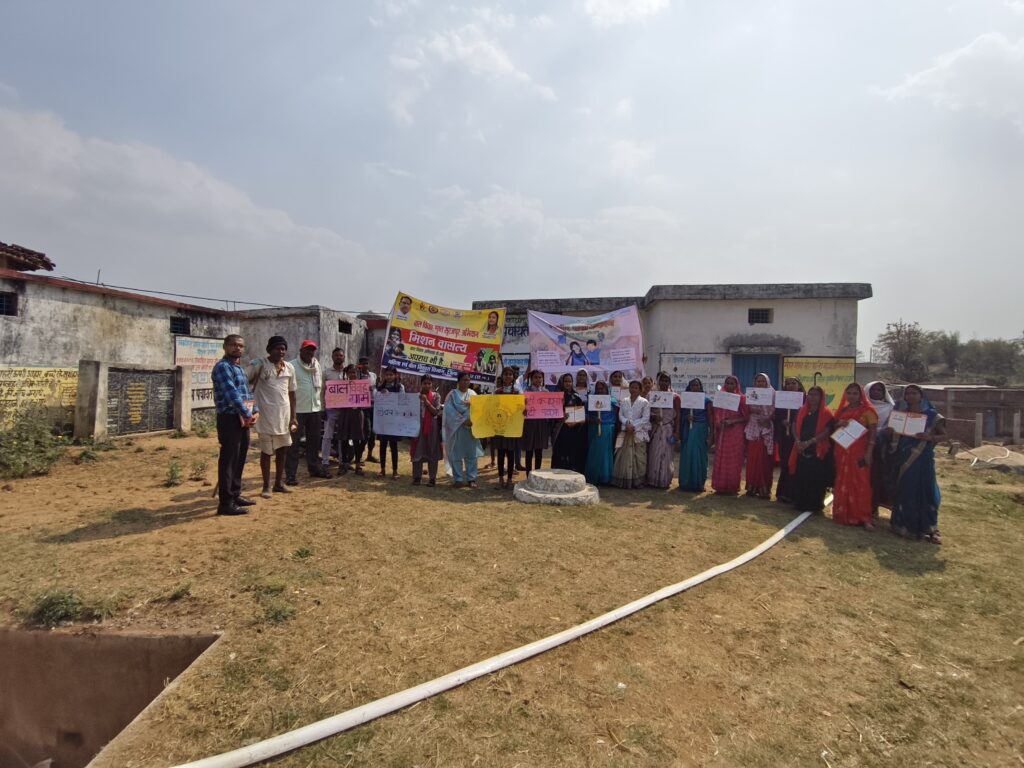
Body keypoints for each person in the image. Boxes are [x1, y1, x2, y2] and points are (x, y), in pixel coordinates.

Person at [890, 384, 945, 543]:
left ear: (921, 396)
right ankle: (903, 525)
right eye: (908, 393)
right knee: (906, 490)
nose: (911, 396)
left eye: (914, 393)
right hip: (904, 456)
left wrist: (930, 438)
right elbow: (894, 435)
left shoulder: (933, 416)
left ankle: (929, 527)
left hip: (923, 457)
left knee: (925, 489)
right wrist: (891, 432)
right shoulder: (901, 414)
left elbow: (945, 436)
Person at [212, 334, 259, 515]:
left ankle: (235, 494)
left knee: (240, 457)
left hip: (243, 418)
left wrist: (255, 410)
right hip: (229, 418)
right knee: (229, 460)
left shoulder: (239, 368)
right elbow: (232, 394)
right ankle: (225, 503)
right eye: (233, 345)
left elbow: (247, 392)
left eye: (240, 345)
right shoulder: (222, 367)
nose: (237, 348)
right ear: (225, 347)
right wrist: (248, 413)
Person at [248, 336, 298, 499]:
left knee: (283, 450)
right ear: (269, 350)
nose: (281, 352)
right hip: (265, 416)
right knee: (266, 452)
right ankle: (266, 486)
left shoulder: (289, 367)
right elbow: (246, 383)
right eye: (277, 348)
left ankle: (278, 484)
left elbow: (292, 393)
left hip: (283, 416)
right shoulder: (259, 364)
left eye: (283, 349)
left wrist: (293, 417)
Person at [831, 382, 878, 529]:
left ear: (861, 395)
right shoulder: (843, 410)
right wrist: (839, 424)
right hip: (842, 451)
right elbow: (834, 428)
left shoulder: (868, 411)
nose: (851, 396)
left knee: (861, 482)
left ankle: (864, 517)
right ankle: (842, 513)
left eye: (855, 393)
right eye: (849, 393)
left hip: (860, 452)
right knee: (842, 480)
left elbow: (873, 433)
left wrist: (869, 452)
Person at [286, 340, 329, 484]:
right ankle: (290, 475)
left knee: (314, 442)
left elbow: (320, 389)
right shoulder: (291, 366)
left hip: (315, 410)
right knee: (293, 444)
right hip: (297, 411)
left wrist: (322, 407)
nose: (310, 353)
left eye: (312, 350)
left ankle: (314, 469)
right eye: (307, 350)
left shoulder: (317, 365)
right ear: (301, 351)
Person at [788, 385, 834, 514]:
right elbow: (794, 425)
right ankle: (800, 502)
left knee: (815, 478)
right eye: (810, 394)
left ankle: (815, 504)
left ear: (821, 397)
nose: (812, 397)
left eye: (816, 395)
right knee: (801, 475)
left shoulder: (826, 413)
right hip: (800, 447)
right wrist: (797, 441)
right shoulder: (801, 410)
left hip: (817, 449)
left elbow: (827, 431)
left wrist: (810, 442)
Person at [444, 371, 483, 487]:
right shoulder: (452, 395)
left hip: (470, 430)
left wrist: (473, 406)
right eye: (464, 380)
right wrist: (462, 420)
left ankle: (472, 479)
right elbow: (449, 411)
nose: (466, 382)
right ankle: (458, 479)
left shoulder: (473, 394)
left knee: (471, 455)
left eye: (468, 380)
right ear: (458, 381)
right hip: (456, 430)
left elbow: (479, 409)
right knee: (456, 455)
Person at [711, 375, 748, 494]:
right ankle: (720, 486)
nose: (730, 386)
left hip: (736, 432)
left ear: (736, 385)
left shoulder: (742, 399)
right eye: (728, 383)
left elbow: (746, 417)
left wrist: (733, 421)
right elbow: (716, 413)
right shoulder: (720, 397)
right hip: (723, 432)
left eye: (732, 384)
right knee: (722, 458)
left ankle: (732, 486)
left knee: (734, 459)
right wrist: (719, 422)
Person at [867, 380, 897, 518]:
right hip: (863, 443)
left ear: (884, 392)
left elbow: (894, 426)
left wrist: (883, 433)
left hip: (883, 448)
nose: (876, 392)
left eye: (879, 390)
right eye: (873, 389)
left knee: (879, 477)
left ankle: (877, 505)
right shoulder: (863, 406)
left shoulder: (891, 408)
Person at [744, 372, 776, 499]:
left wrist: (767, 418)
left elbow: (775, 410)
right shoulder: (751, 393)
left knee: (764, 460)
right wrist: (752, 410)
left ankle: (764, 489)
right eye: (758, 381)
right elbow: (746, 409)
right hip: (753, 427)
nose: (760, 383)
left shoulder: (773, 394)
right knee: (753, 459)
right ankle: (752, 487)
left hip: (766, 428)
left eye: (763, 381)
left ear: (767, 382)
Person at [678, 378, 713, 493]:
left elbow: (710, 419)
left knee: (700, 455)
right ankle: (686, 483)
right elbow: (681, 415)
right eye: (692, 386)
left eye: (697, 385)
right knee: (688, 454)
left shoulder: (707, 401)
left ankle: (699, 483)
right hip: (688, 429)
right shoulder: (685, 400)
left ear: (700, 387)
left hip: (700, 430)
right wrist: (686, 417)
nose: (695, 388)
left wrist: (711, 435)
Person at [613, 379, 650, 488]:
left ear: (640, 390)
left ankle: (638, 482)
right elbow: (620, 415)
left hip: (638, 433)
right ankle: (625, 480)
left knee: (639, 458)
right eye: (632, 387)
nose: (633, 389)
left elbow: (645, 418)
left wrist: (633, 426)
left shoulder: (644, 402)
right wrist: (627, 423)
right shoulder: (624, 401)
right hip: (626, 431)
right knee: (623, 457)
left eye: (636, 388)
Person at [647, 372, 680, 489]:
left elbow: (678, 416)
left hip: (668, 428)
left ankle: (664, 480)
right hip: (655, 429)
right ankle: (653, 479)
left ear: (669, 382)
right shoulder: (651, 396)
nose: (664, 383)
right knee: (654, 453)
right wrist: (653, 417)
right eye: (662, 380)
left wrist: (677, 432)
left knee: (667, 455)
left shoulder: (675, 397)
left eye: (667, 381)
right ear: (658, 381)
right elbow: (646, 412)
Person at [773, 377, 805, 503]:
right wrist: (782, 421)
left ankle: (794, 493)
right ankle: (783, 492)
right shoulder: (781, 399)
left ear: (799, 385)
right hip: (785, 437)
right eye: (788, 383)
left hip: (798, 437)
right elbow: (776, 415)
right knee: (785, 464)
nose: (791, 385)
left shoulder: (805, 400)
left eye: (793, 383)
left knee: (796, 464)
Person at [492, 366, 522, 489]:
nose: (508, 376)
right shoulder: (497, 392)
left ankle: (509, 479)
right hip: (500, 426)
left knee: (511, 454)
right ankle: (500, 479)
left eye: (510, 374)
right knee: (500, 453)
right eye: (505, 374)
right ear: (502, 376)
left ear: (513, 377)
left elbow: (521, 408)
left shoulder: (518, 392)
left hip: (512, 427)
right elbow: (492, 407)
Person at [552, 373, 588, 473]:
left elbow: (580, 414)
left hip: (573, 429)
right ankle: (558, 471)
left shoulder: (576, 396)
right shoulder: (556, 396)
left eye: (570, 381)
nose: (568, 383)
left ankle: (571, 471)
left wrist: (576, 422)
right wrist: (561, 415)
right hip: (560, 429)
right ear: (562, 382)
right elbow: (552, 412)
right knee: (560, 449)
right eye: (565, 381)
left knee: (572, 449)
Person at [335, 364, 366, 475]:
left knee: (357, 440)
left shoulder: (362, 386)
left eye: (355, 372)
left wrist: (368, 392)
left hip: (357, 415)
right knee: (344, 439)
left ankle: (358, 465)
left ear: (358, 374)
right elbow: (337, 400)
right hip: (345, 414)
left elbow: (365, 402)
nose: (353, 374)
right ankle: (344, 464)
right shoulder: (342, 386)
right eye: (350, 372)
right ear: (347, 374)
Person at [411, 374, 442, 486]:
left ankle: (432, 478)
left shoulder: (435, 396)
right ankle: (417, 477)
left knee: (432, 451)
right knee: (417, 450)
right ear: (421, 384)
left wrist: (426, 401)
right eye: (425, 383)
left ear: (432, 384)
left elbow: (436, 412)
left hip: (431, 427)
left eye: (429, 383)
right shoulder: (415, 397)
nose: (427, 385)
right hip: (417, 427)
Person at [520, 369, 553, 475]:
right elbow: (521, 408)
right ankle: (528, 475)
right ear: (531, 379)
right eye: (535, 377)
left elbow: (550, 408)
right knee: (529, 451)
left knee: (539, 450)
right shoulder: (526, 392)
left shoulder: (546, 392)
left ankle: (537, 474)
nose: (538, 379)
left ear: (543, 379)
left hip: (542, 424)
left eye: (540, 377)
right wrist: (524, 409)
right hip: (529, 424)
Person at [584, 380, 617, 485]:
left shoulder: (612, 400)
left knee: (606, 453)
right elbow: (585, 414)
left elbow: (616, 415)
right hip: (594, 428)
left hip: (607, 429)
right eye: (598, 388)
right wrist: (593, 420)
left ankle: (605, 477)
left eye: (602, 388)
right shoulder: (591, 400)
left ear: (606, 389)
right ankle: (593, 476)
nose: (600, 390)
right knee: (594, 452)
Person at [375, 366, 405, 480]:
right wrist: (379, 393)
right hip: (383, 420)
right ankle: (382, 469)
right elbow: (375, 400)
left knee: (393, 446)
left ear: (396, 375)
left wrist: (390, 396)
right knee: (382, 445)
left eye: (391, 375)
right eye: (387, 375)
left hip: (394, 421)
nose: (389, 377)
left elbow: (402, 401)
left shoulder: (400, 387)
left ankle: (395, 471)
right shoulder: (380, 387)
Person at [319, 347, 346, 474]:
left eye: (341, 355)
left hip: (344, 410)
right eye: (336, 355)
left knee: (342, 437)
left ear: (344, 357)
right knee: (327, 436)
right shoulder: (326, 373)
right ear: (332, 357)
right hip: (330, 410)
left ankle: (342, 461)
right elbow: (322, 392)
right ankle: (325, 461)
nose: (338, 357)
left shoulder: (348, 372)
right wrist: (322, 408)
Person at [357, 356, 378, 463]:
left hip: (374, 407)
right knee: (367, 432)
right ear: (359, 365)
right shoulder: (357, 376)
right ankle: (359, 455)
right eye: (363, 363)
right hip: (363, 408)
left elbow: (376, 388)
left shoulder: (373, 375)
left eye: (366, 363)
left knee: (373, 432)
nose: (365, 365)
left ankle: (370, 454)